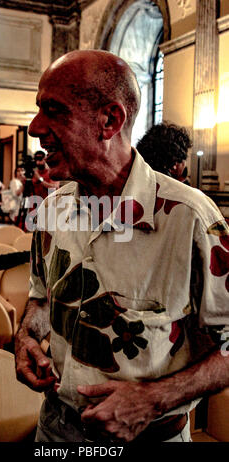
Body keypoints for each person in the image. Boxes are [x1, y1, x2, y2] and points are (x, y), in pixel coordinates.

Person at [14, 50, 229, 443]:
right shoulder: (51, 210)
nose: (34, 127)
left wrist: (153, 399)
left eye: (54, 110)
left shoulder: (189, 219)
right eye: (38, 109)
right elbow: (41, 299)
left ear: (110, 120)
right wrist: (27, 335)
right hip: (56, 432)